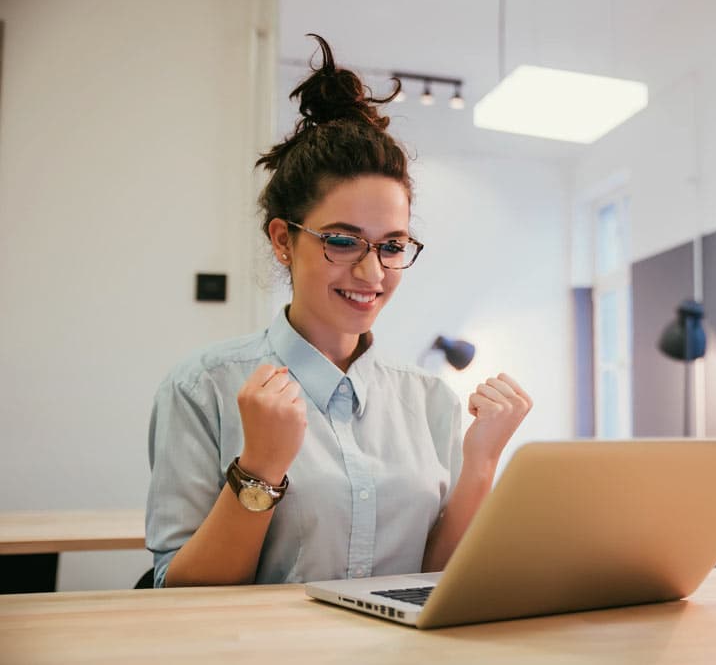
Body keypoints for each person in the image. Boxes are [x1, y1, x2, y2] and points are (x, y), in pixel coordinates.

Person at [145, 35, 532, 588]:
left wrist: (480, 465)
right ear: (283, 240)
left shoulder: (429, 402)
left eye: (393, 245)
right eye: (342, 241)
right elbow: (179, 596)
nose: (372, 274)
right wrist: (260, 470)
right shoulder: (202, 388)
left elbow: (434, 584)